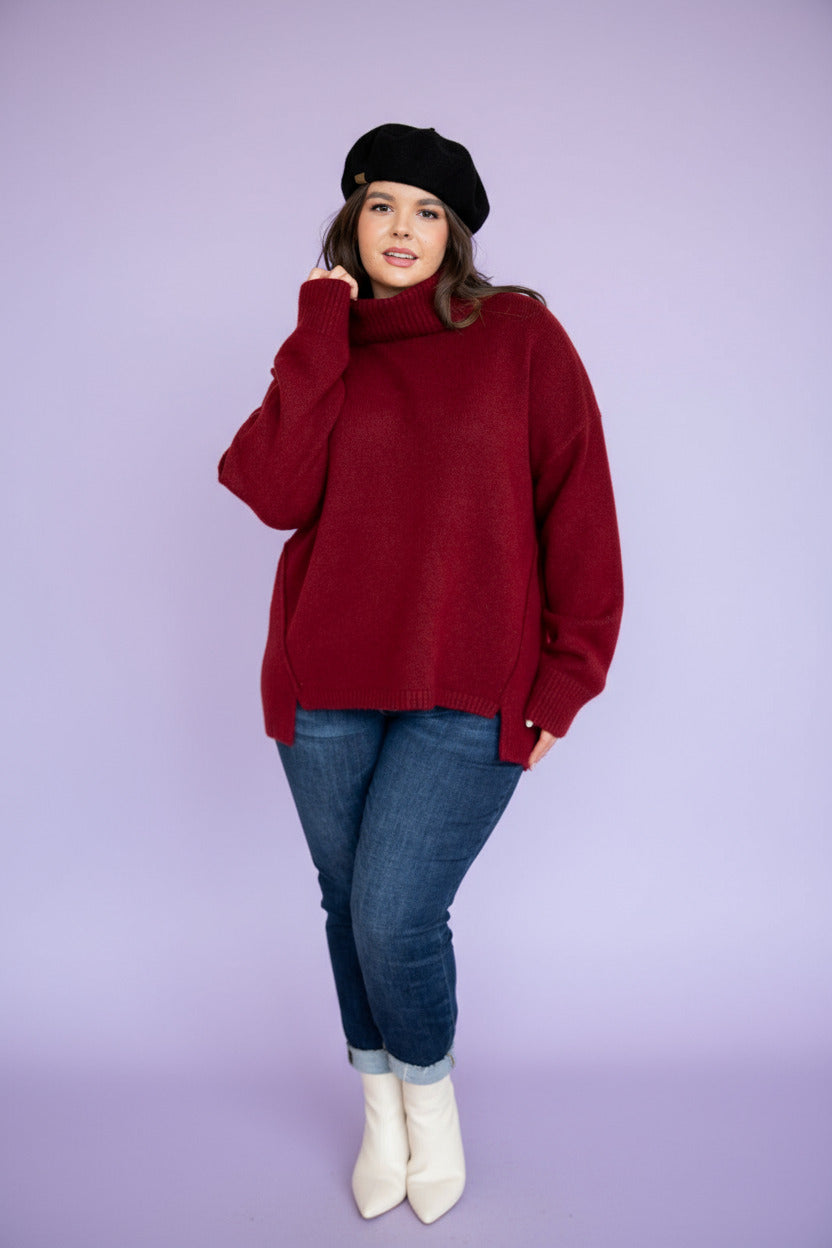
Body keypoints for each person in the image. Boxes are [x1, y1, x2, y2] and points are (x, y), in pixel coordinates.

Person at [218, 123, 623, 1225]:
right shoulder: (329, 341)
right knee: (347, 904)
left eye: (428, 211)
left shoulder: (517, 335)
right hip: (324, 683)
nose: (402, 229)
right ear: (351, 216)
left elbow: (576, 506)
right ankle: (379, 1114)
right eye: (382, 204)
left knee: (396, 913)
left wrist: (565, 679)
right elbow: (268, 489)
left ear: (459, 233)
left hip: (468, 680)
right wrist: (316, 328)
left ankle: (431, 1109)